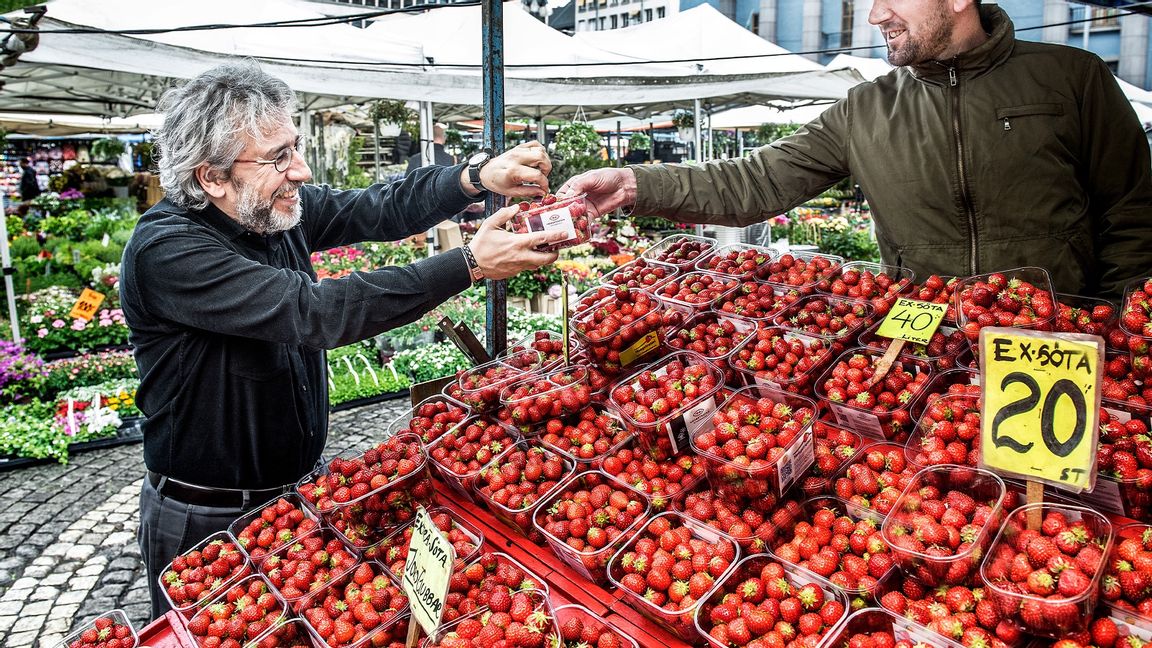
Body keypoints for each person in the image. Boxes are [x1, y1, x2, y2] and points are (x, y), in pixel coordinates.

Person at [120, 61, 564, 620]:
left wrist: (474, 178)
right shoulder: (168, 251)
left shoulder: (267, 212)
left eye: (296, 147)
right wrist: (470, 262)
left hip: (291, 498)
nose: (300, 171)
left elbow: (377, 207)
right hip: (206, 514)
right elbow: (317, 311)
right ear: (211, 177)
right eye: (278, 157)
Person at [560, 0, 1152, 298]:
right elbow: (756, 181)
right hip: (930, 352)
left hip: (1061, 350)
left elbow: (1133, 212)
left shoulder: (1072, 78)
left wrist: (1112, 317)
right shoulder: (866, 108)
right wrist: (636, 184)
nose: (873, 15)